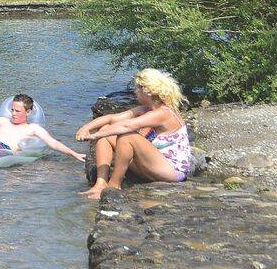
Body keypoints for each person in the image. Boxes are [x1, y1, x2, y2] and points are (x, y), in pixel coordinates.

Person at [77, 68, 193, 199]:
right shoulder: (145, 109)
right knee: (106, 132)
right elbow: (111, 118)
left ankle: (114, 185)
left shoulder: (164, 113)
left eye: (138, 88)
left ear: (148, 91)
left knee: (128, 136)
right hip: (152, 165)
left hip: (171, 171)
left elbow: (127, 125)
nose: (135, 91)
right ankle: (100, 184)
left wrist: (93, 136)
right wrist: (86, 128)